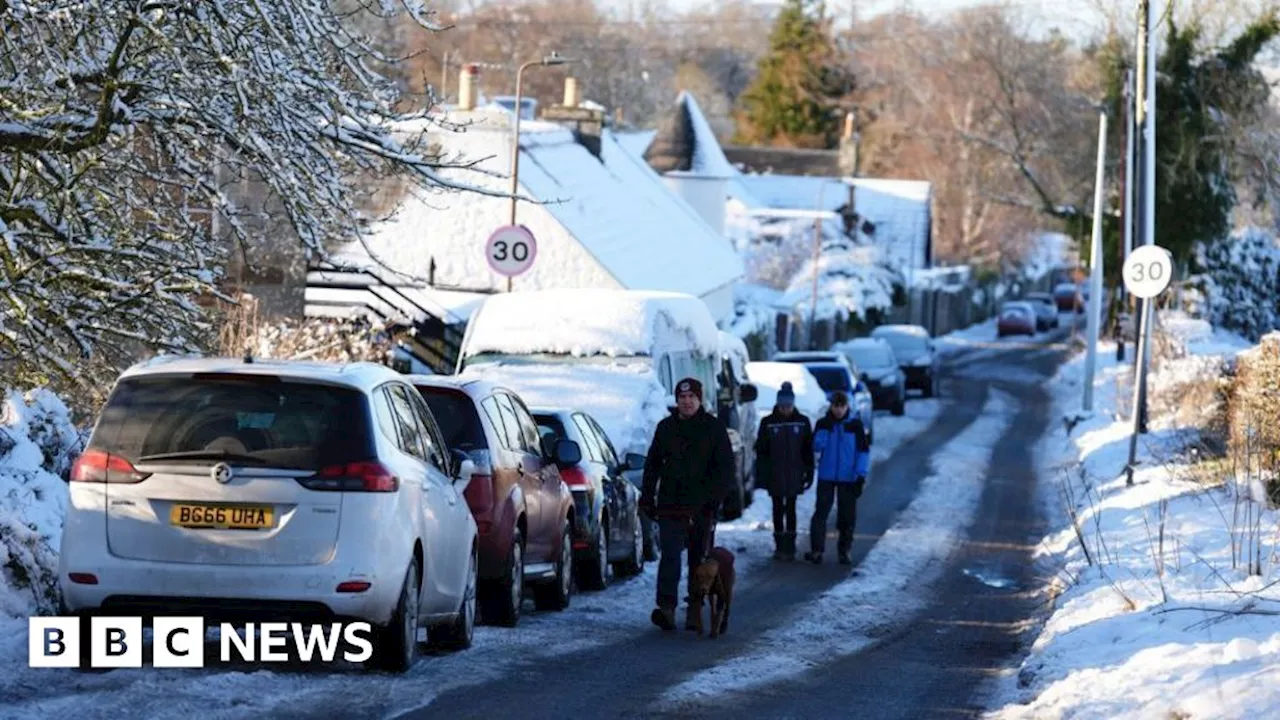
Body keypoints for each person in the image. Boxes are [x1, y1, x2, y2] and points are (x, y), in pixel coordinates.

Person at [641, 377, 736, 632]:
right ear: (677, 400)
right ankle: (666, 608)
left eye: (691, 397)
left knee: (698, 560)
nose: (686, 402)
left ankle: (695, 609)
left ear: (699, 399)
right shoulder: (665, 428)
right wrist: (647, 497)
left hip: (702, 507)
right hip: (671, 505)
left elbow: (725, 469)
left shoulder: (713, 429)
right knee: (670, 557)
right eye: (682, 398)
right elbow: (652, 466)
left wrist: (716, 500)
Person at [804, 391, 871, 566]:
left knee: (847, 515)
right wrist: (825, 432)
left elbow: (863, 452)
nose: (839, 410)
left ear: (847, 406)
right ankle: (817, 550)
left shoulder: (855, 426)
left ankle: (844, 550)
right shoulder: (823, 424)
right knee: (821, 513)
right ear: (831, 406)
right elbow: (816, 447)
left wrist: (860, 475)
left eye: (842, 406)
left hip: (848, 477)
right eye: (836, 406)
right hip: (827, 475)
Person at [753, 382, 814, 561]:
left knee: (792, 509)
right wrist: (762, 475)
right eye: (782, 406)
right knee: (778, 509)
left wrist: (809, 471)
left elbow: (807, 449)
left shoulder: (802, 422)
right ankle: (779, 545)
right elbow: (761, 452)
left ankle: (791, 545)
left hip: (794, 474)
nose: (785, 410)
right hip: (776, 474)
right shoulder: (768, 423)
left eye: (788, 406)